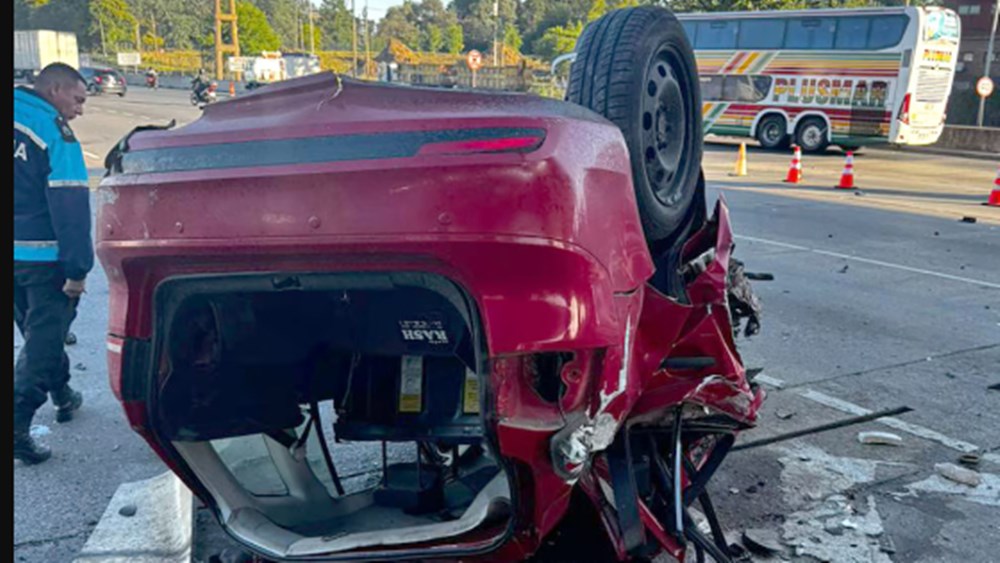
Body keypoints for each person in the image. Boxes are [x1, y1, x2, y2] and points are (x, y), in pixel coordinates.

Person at [14, 62, 93, 465]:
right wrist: (78, 269)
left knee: (42, 334)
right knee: (44, 339)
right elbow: (71, 204)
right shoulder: (52, 131)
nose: (80, 109)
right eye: (78, 100)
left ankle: (63, 394)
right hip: (43, 258)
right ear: (56, 89)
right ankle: (16, 421)